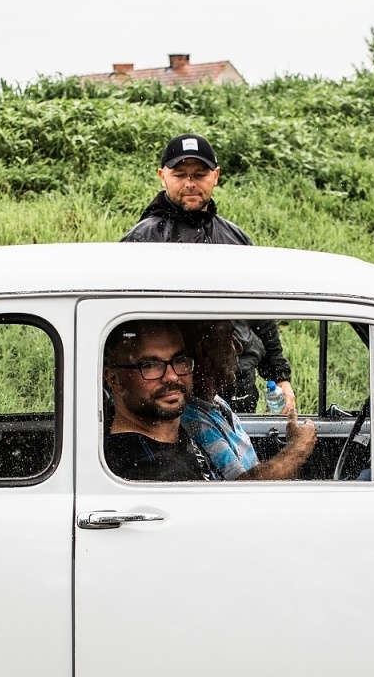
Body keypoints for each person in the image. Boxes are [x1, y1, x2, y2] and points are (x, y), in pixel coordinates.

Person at [121, 133, 294, 413]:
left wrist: (279, 377)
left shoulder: (236, 239)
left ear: (215, 176)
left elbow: (261, 313)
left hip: (237, 380)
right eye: (180, 174)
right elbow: (123, 323)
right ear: (162, 175)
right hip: (172, 386)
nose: (190, 183)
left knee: (238, 455)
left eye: (200, 174)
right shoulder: (143, 240)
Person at [179, 320, 315, 480]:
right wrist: (298, 447)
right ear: (205, 352)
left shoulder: (216, 402)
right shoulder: (196, 423)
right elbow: (242, 487)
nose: (239, 347)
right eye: (229, 337)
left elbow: (249, 469)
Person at [103, 321, 216, 482]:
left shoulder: (171, 434)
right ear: (113, 379)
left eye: (180, 360)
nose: (171, 376)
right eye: (150, 365)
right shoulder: (145, 473)